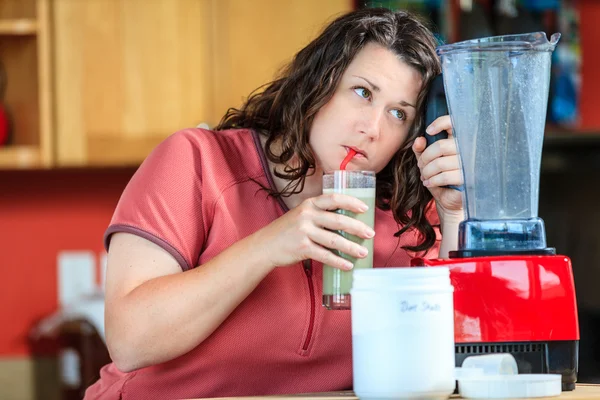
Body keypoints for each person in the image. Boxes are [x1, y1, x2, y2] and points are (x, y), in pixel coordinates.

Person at [85, 7, 463, 400]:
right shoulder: (197, 163)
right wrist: (268, 245)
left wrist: (454, 216)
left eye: (398, 113)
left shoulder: (403, 213)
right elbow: (130, 342)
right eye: (363, 92)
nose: (372, 128)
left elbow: (454, 359)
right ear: (319, 81)